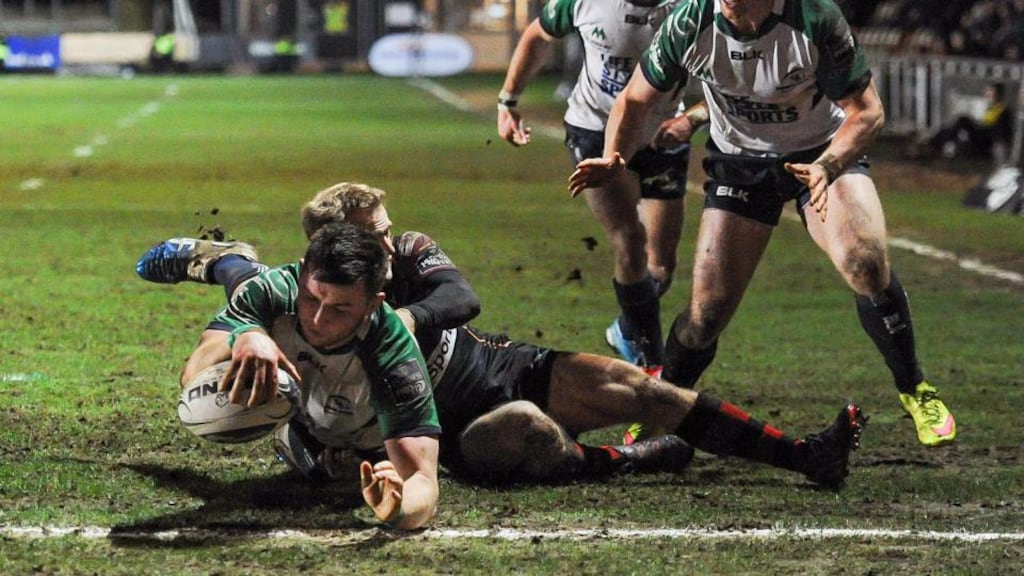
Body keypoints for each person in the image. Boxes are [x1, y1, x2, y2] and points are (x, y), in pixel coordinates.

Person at [139, 182, 866, 489]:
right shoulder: (313, 291)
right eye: (376, 238)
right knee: (521, 436)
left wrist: (402, 319)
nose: (391, 244)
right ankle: (628, 460)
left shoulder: (406, 257)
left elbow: (463, 297)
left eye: (388, 234)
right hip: (448, 418)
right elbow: (246, 303)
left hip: (487, 364)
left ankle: (806, 457)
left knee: (638, 385)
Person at [569, 0, 955, 447]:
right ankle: (662, 406)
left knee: (864, 261)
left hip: (822, 153)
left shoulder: (813, 18)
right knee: (705, 317)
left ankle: (915, 389)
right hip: (740, 166)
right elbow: (635, 98)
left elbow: (867, 112)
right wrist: (615, 155)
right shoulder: (689, 22)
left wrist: (828, 166)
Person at [176, 222, 442, 530]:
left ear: (373, 304)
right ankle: (229, 262)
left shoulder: (393, 353)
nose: (318, 319)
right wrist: (245, 334)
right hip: (308, 417)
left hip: (371, 443)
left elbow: (423, 481)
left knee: (338, 476)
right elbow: (193, 375)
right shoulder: (272, 290)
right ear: (302, 273)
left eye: (340, 309)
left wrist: (398, 508)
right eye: (312, 298)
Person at [497, 0, 692, 379]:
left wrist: (694, 117)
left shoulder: (692, 9)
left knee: (662, 265)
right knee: (629, 240)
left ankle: (625, 328)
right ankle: (652, 360)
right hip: (595, 131)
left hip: (661, 135)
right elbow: (539, 34)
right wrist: (508, 100)